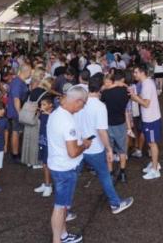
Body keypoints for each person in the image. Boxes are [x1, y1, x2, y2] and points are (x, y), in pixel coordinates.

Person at [75, 74, 134, 215]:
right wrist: (108, 149)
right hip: (94, 148)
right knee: (105, 177)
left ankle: (65, 209)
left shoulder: (79, 102)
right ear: (101, 87)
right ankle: (115, 204)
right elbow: (102, 131)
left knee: (72, 179)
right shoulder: (100, 106)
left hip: (79, 146)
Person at [47, 86, 91, 243]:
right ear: (78, 101)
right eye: (83, 104)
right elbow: (72, 152)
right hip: (65, 168)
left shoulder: (56, 114)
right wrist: (85, 145)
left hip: (57, 164)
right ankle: (57, 240)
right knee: (60, 207)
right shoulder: (67, 121)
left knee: (63, 206)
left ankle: (63, 235)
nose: (82, 107)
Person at [129, 65, 162, 180]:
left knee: (152, 143)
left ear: (142, 72)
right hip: (150, 117)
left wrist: (134, 97)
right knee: (150, 142)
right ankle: (155, 163)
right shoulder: (147, 83)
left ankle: (155, 169)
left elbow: (146, 103)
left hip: (151, 118)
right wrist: (135, 96)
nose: (134, 74)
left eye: (136, 72)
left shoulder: (147, 85)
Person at [102, 70, 132, 184]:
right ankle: (123, 173)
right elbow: (127, 90)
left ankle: (110, 174)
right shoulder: (125, 91)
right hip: (121, 123)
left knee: (109, 150)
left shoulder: (105, 93)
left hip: (108, 124)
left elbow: (102, 101)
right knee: (122, 150)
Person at [7, 65, 31, 161]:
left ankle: (15, 152)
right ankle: (15, 154)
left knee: (16, 132)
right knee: (16, 132)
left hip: (17, 111)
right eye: (30, 71)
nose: (30, 73)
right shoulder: (17, 83)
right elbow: (16, 99)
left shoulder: (19, 81)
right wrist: (20, 113)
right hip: (16, 112)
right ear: (25, 71)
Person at [34, 95, 56, 197]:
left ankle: (48, 186)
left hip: (49, 143)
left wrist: (50, 114)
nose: (41, 106)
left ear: (51, 105)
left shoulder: (54, 116)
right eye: (41, 104)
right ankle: (47, 183)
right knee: (44, 163)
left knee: (47, 164)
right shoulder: (42, 114)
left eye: (44, 104)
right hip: (43, 141)